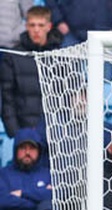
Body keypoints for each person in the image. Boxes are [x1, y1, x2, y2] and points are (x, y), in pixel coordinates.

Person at [0, 6, 62, 139]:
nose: (36, 30)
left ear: (49, 26)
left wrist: (61, 129)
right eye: (32, 25)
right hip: (24, 133)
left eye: (40, 25)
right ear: (26, 26)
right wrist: (16, 133)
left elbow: (68, 94)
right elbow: (7, 98)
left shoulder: (62, 56)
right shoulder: (13, 56)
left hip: (55, 133)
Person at [45, 0, 112, 46]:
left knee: (104, 77)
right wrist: (59, 21)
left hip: (104, 35)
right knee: (71, 76)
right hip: (71, 33)